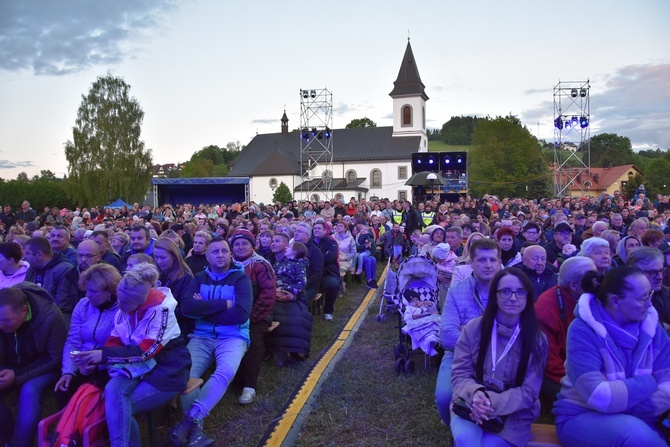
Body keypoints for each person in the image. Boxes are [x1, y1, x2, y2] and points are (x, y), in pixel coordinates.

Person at [75, 262, 191, 447]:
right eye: (119, 299)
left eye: (125, 302)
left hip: (167, 371)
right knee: (113, 391)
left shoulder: (163, 312)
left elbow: (145, 352)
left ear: (141, 302)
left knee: (118, 408)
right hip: (136, 368)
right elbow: (115, 341)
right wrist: (95, 359)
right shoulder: (125, 309)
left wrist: (103, 356)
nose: (119, 305)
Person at [554, 267, 670, 446]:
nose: (649, 304)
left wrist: (624, 401)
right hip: (581, 415)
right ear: (615, 301)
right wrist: (651, 381)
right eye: (642, 298)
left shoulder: (651, 326)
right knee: (636, 435)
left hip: (644, 416)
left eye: (650, 295)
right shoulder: (582, 330)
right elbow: (599, 396)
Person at [450, 268, 547, 446]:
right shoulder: (474, 329)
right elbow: (460, 374)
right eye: (505, 291)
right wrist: (477, 395)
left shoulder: (537, 339)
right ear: (495, 296)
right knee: (466, 441)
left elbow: (530, 391)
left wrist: (491, 403)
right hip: (471, 402)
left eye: (520, 292)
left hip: (514, 413)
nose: (513, 297)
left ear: (528, 297)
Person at [169, 237, 252, 446]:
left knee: (225, 371)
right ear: (207, 256)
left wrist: (203, 308)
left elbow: (240, 315)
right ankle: (196, 431)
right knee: (186, 374)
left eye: (224, 251)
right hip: (202, 336)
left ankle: (189, 420)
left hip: (233, 336)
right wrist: (223, 304)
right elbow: (187, 308)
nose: (221, 255)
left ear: (230, 254)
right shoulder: (198, 278)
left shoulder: (240, 279)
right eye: (215, 252)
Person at [435, 238, 502, 425]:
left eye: (492, 260)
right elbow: (447, 337)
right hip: (459, 355)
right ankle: (452, 423)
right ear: (471, 263)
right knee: (443, 397)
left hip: (500, 357)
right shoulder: (457, 290)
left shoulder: (508, 291)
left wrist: (467, 330)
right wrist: (486, 339)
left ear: (499, 263)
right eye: (481, 260)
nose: (487, 265)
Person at [0, 283, 67, 447]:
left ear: (24, 310)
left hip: (44, 366)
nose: (1, 326)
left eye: (7, 321)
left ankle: (20, 444)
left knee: (30, 390)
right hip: (9, 366)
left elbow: (55, 357)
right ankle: (8, 437)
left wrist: (18, 376)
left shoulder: (50, 316)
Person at [54, 263, 121, 408]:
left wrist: (98, 366)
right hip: (81, 361)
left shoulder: (122, 311)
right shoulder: (83, 305)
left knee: (96, 392)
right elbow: (73, 341)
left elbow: (122, 349)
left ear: (110, 291)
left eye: (93, 291)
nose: (87, 295)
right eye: (86, 290)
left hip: (109, 366)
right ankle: (67, 429)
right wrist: (69, 371)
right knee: (64, 388)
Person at [534, 256, 597, 407]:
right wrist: (579, 384)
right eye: (590, 279)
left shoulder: (592, 298)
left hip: (583, 368)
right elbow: (549, 362)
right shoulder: (545, 309)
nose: (596, 282)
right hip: (557, 373)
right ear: (573, 285)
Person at [230, 229, 276, 405]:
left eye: (244, 243)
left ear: (252, 245)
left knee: (252, 340)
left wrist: (250, 317)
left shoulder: (261, 265)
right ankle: (233, 377)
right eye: (237, 244)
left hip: (258, 313)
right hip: (235, 313)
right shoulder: (229, 263)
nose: (240, 247)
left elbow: (268, 295)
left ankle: (249, 386)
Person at [267, 237, 312, 366]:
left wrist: (290, 293)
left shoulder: (299, 265)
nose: (286, 249)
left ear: (295, 252)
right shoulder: (277, 264)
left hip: (292, 295)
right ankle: (278, 350)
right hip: (275, 295)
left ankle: (296, 351)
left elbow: (301, 283)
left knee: (297, 317)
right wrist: (274, 291)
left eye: (289, 248)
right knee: (276, 316)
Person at [23, 236, 76, 319]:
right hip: (33, 315)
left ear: (39, 254)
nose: (24, 257)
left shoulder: (64, 270)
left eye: (27, 253)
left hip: (56, 318)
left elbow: (62, 304)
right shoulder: (32, 269)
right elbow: (24, 294)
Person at [154, 238, 195, 335]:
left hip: (177, 329)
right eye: (156, 257)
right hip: (158, 325)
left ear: (174, 256)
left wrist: (160, 311)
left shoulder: (185, 278)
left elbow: (186, 310)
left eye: (163, 257)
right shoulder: (157, 274)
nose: (159, 261)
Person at [627, 247, 670, 333]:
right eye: (652, 272)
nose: (660, 277)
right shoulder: (623, 297)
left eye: (661, 271)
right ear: (634, 272)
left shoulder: (667, 293)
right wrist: (661, 326)